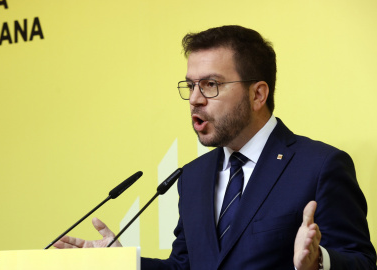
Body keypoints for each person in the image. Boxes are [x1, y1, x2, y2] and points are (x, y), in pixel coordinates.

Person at [54, 25, 377, 269]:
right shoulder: (194, 176)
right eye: (191, 85)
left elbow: (361, 261)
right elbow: (184, 267)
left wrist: (320, 260)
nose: (195, 98)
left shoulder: (318, 166)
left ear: (257, 95)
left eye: (210, 84)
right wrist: (123, 263)